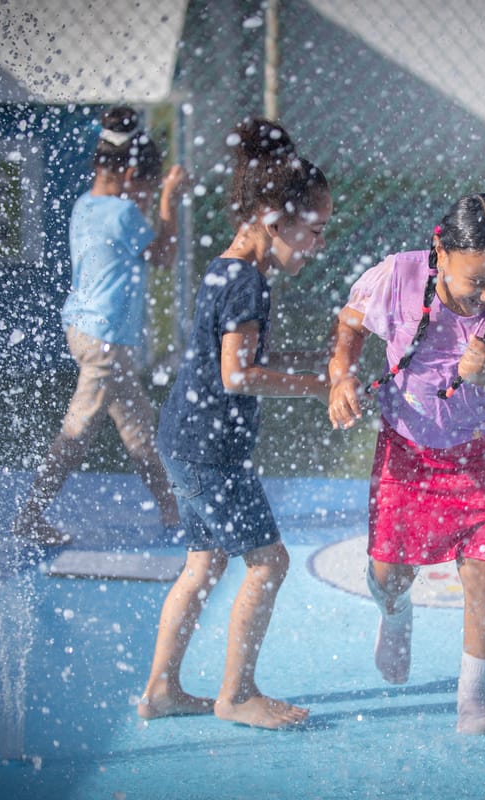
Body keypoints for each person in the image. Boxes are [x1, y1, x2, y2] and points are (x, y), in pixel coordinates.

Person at [327, 193, 485, 735]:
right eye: (476, 280)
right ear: (441, 250)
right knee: (388, 572)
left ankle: (473, 699)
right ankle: (395, 610)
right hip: (410, 449)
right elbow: (351, 324)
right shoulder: (400, 278)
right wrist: (342, 375)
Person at [137, 117, 332, 730]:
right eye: (315, 231)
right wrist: (317, 386)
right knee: (268, 562)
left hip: (185, 440)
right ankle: (237, 694)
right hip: (210, 452)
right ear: (275, 220)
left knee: (204, 563)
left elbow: (241, 359)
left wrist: (312, 361)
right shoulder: (248, 281)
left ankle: (162, 689)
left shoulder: (229, 266)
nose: (317, 246)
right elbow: (237, 375)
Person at [14, 105, 187, 546]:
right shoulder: (121, 215)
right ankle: (30, 516)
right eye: (146, 191)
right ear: (130, 176)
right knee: (77, 430)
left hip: (87, 332)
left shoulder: (84, 206)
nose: (146, 201)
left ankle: (173, 511)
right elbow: (164, 256)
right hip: (106, 340)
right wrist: (170, 199)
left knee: (138, 428)